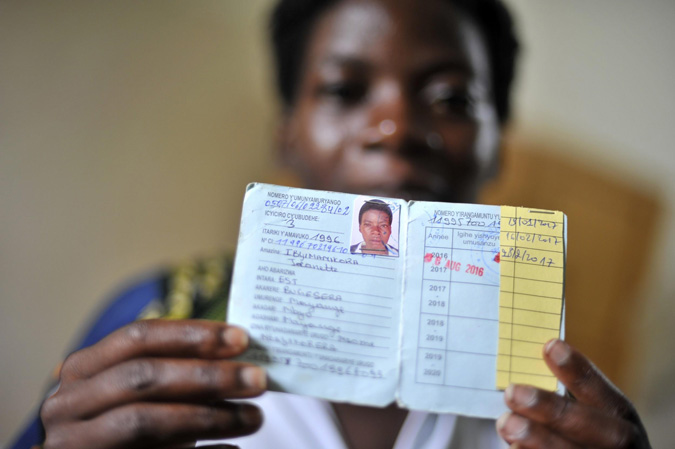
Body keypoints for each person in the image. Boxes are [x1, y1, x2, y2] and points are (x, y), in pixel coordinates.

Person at [10, 0, 653, 448]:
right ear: (287, 136)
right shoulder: (157, 317)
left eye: (451, 98)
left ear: (496, 146)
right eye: (345, 90)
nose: (395, 127)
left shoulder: (555, 386)